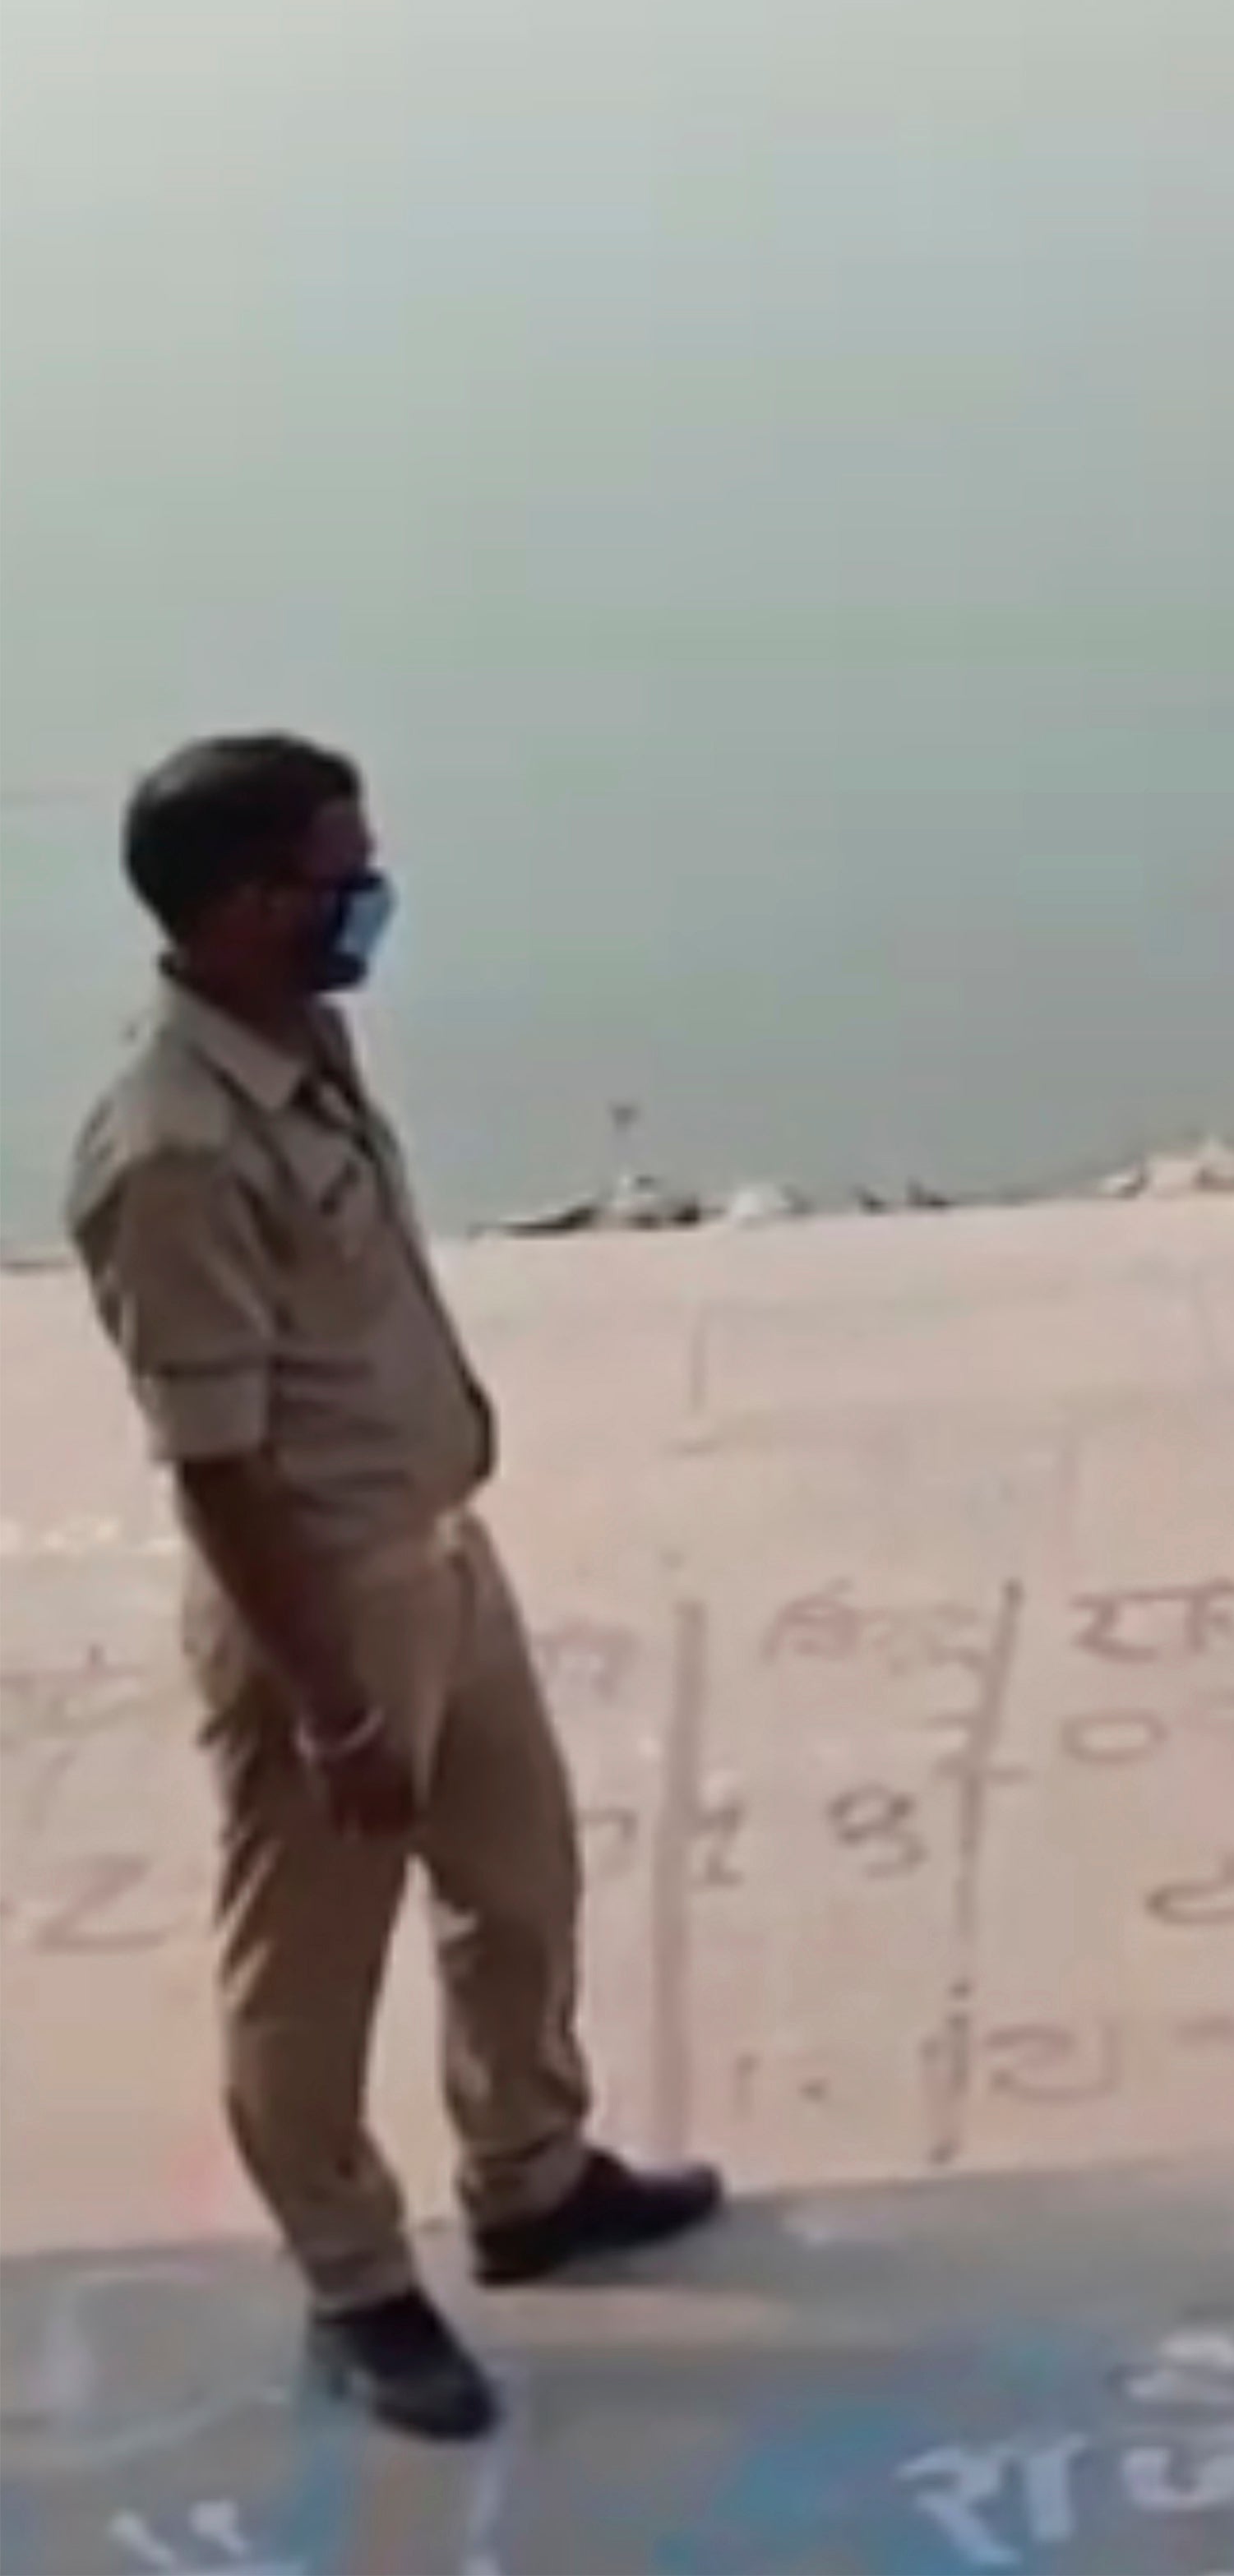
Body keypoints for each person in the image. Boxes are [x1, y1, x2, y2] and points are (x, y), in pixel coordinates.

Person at [62, 735, 725, 2442]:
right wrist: (332, 1699)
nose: (369, 903)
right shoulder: (177, 1151)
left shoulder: (307, 1052)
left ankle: (531, 2178)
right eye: (336, 877)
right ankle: (357, 2282)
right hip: (325, 1607)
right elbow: (214, 1465)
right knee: (309, 1976)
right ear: (238, 909)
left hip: (438, 1549)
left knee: (518, 1889)